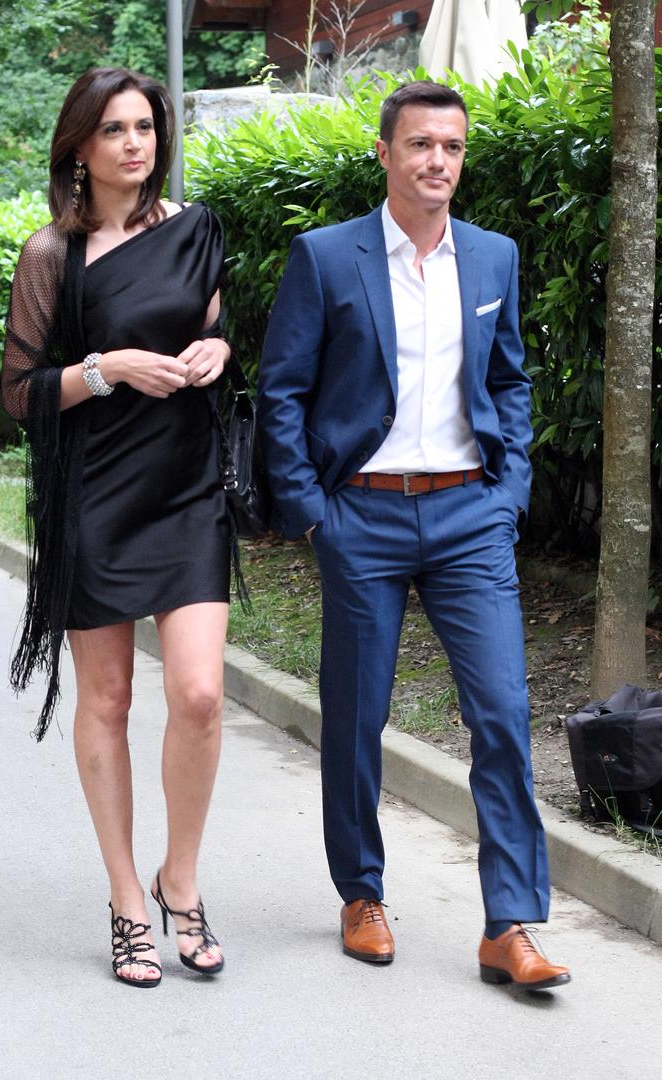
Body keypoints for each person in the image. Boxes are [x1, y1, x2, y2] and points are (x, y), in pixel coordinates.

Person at [258, 81, 570, 990]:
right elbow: (282, 390)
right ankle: (361, 893)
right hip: (361, 514)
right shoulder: (326, 256)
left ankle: (509, 924)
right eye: (422, 144)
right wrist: (313, 514)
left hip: (471, 514)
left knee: (502, 714)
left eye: (453, 147)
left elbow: (509, 380)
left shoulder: (494, 257)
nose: (439, 161)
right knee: (358, 716)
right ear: (386, 153)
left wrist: (509, 493)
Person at [2, 68, 232, 988]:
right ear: (80, 149)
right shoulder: (50, 255)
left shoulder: (195, 228)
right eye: (114, 130)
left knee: (200, 694)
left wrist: (218, 348)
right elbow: (20, 394)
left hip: (186, 489)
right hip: (94, 493)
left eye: (144, 127)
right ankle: (129, 897)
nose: (135, 143)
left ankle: (183, 877)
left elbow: (214, 325)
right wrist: (109, 368)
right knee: (107, 701)